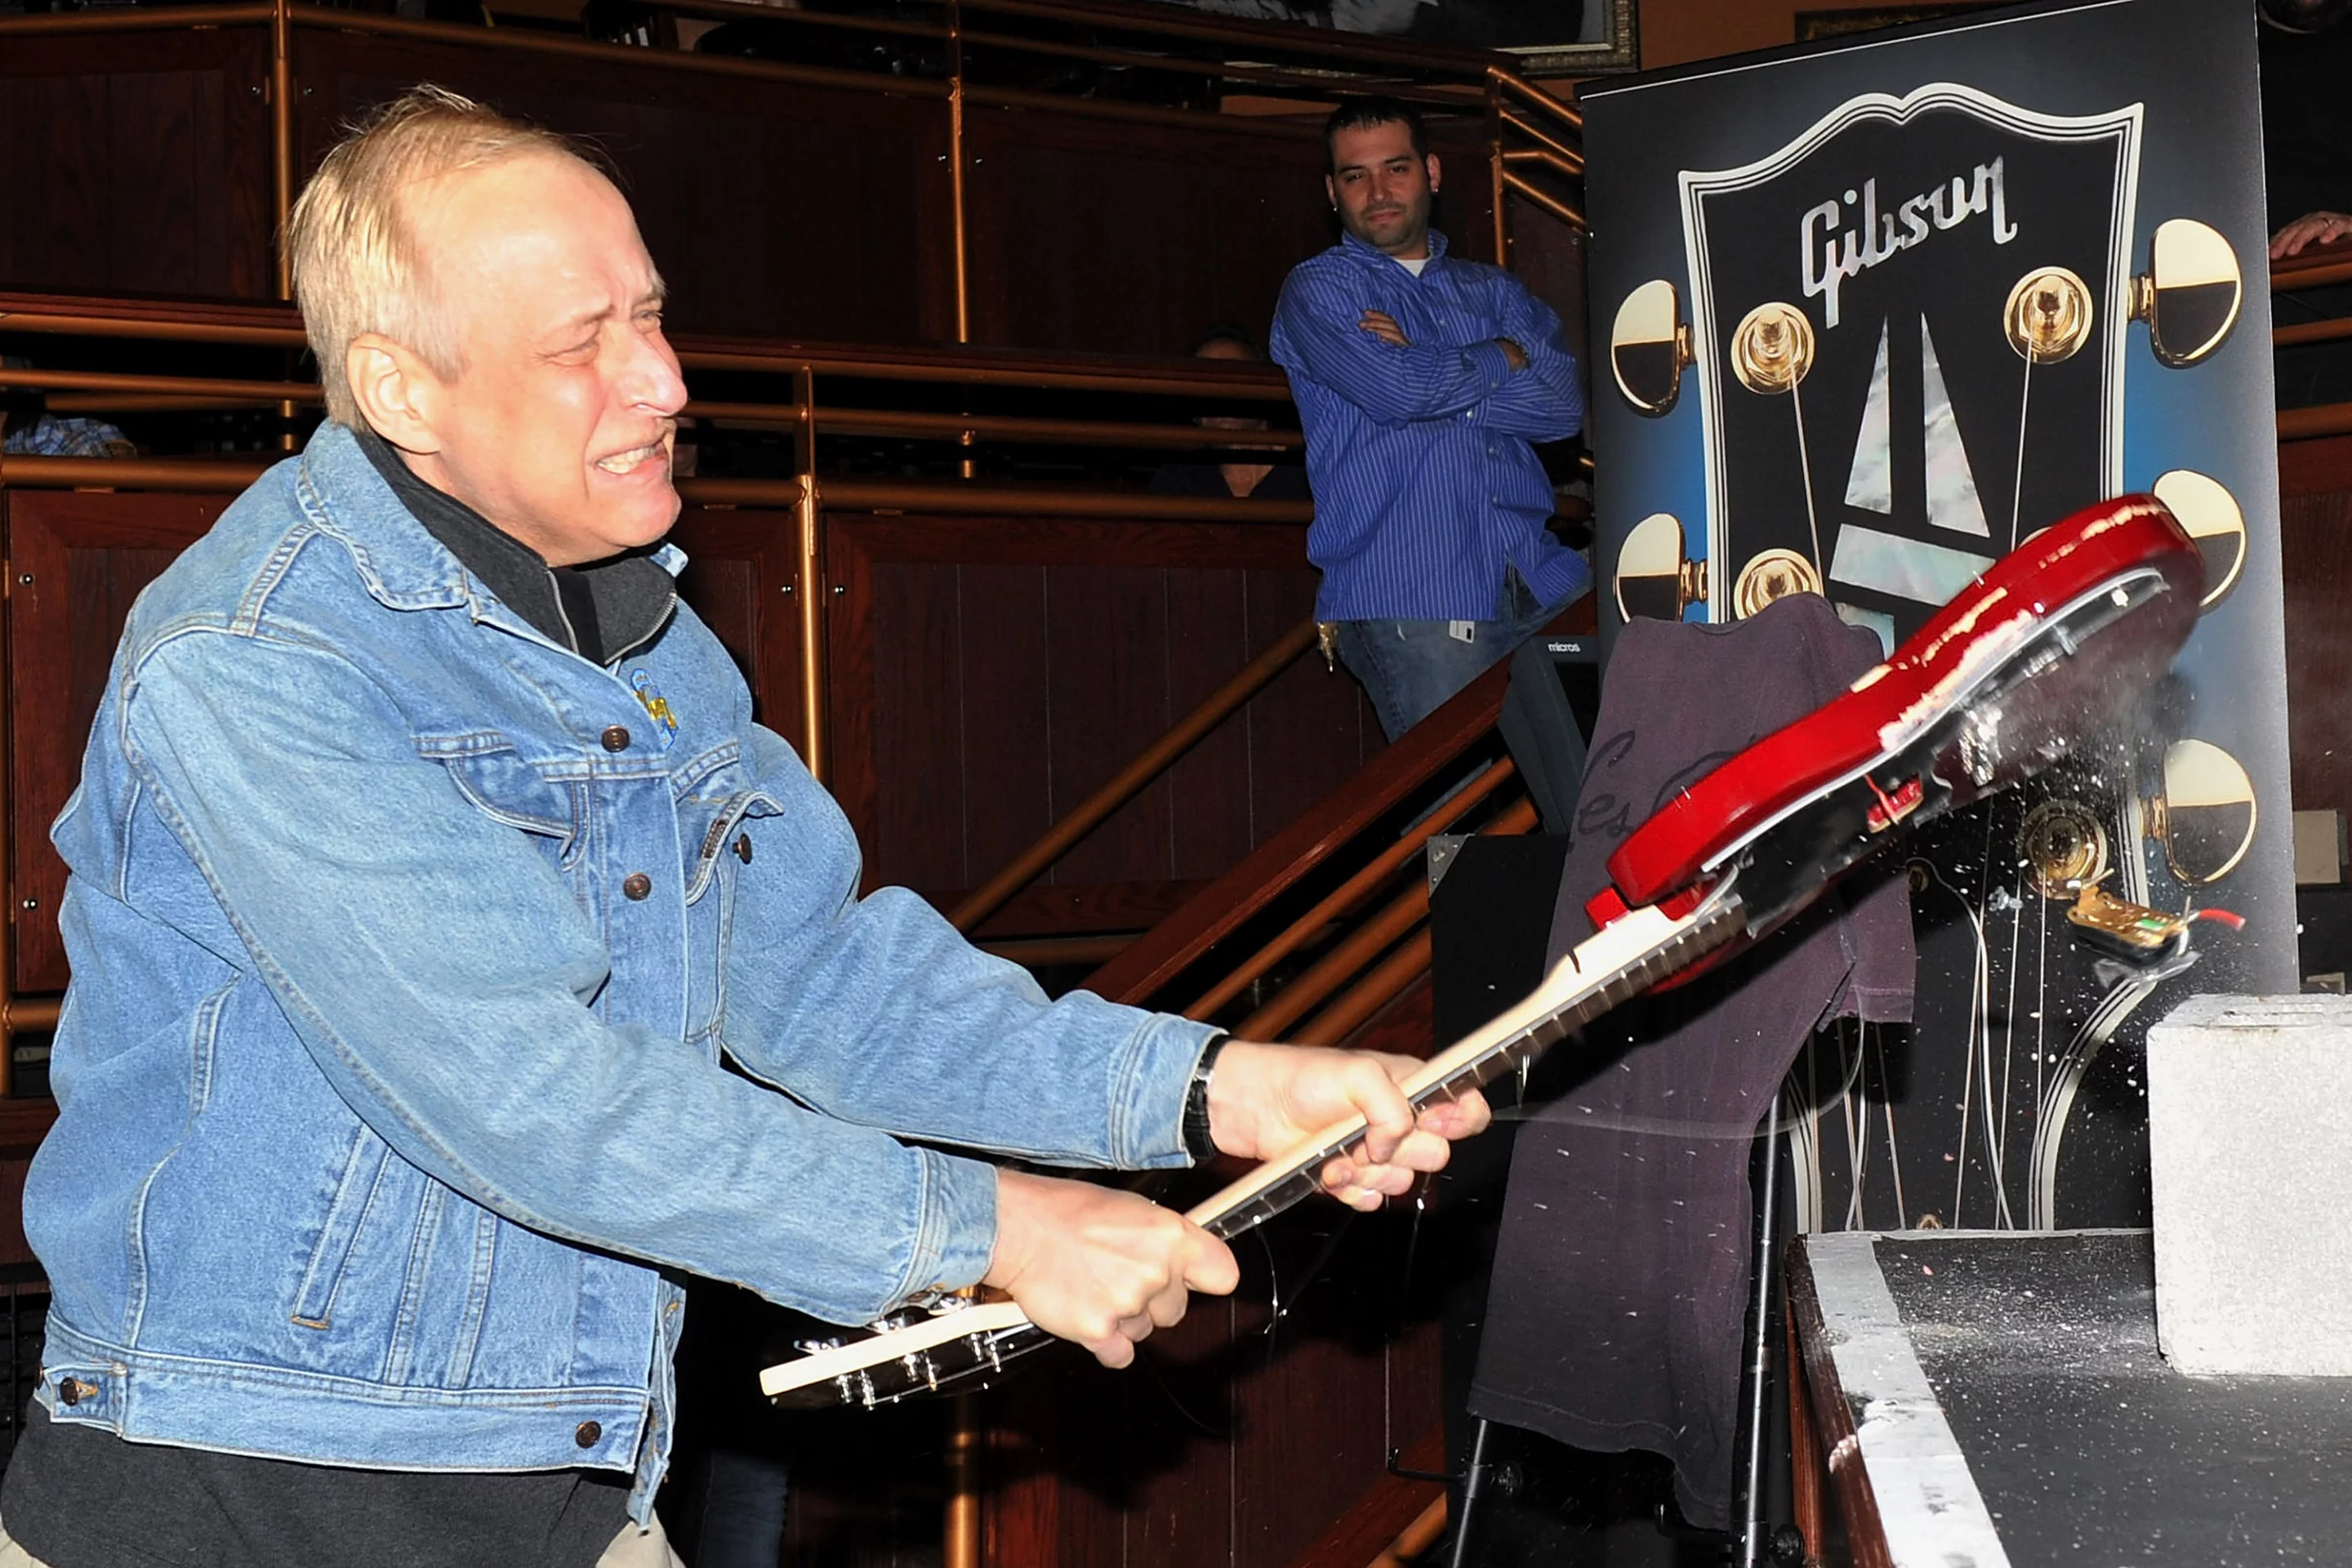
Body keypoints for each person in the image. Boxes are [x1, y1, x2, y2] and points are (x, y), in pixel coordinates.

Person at [0, 86, 1488, 1568]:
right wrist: (994, 1231)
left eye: (650, 316)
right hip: (245, 1491)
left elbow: (827, 983)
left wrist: (1216, 1088)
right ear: (399, 392)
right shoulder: (256, 662)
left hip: (566, 1479)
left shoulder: (641, 633)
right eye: (583, 345)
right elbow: (530, 1095)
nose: (660, 379)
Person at [1271, 97, 1588, 743]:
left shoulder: (1493, 290)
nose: (1379, 191)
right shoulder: (1321, 289)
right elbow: (1396, 392)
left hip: (1543, 576)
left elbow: (1560, 410)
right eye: (1356, 176)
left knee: (1600, 801)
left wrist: (1427, 361)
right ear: (1332, 192)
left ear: (1433, 173)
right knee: (1459, 821)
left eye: (1397, 168)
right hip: (1415, 593)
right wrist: (1500, 355)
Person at [1148, 326, 1312, 502]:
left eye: (1236, 378)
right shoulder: (1178, 479)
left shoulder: (1308, 472)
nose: (1221, 394)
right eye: (1206, 383)